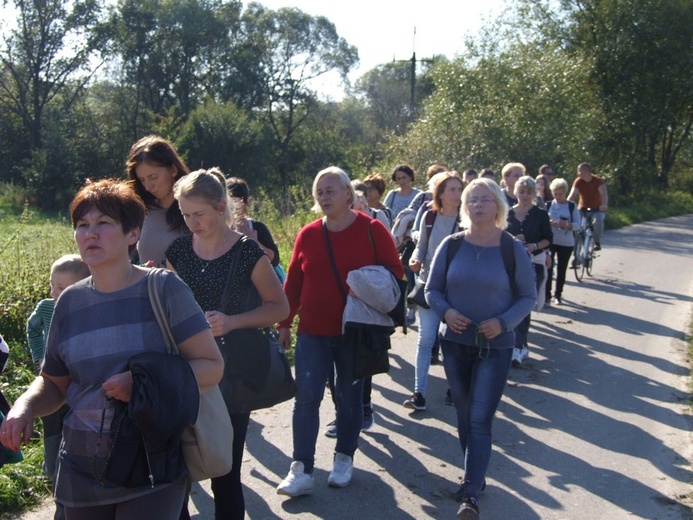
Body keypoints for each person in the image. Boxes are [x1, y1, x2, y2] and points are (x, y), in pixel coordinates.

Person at [0, 179, 223, 520]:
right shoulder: (69, 302)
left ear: (133, 234)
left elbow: (211, 365)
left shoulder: (162, 289)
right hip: (79, 470)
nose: (91, 234)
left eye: (103, 224)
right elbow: (54, 383)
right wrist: (24, 407)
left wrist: (144, 384)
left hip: (150, 465)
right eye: (82, 225)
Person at [166, 168, 289, 520]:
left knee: (225, 471)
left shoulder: (249, 251)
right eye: (185, 215)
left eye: (198, 214)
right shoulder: (177, 251)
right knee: (177, 468)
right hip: (186, 369)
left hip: (234, 372)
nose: (192, 222)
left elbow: (279, 307)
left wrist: (232, 321)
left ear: (221, 206)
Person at [275, 167, 403, 497]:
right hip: (313, 332)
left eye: (331, 190)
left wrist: (366, 286)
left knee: (349, 399)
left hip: (355, 333)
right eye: (319, 191)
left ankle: (344, 457)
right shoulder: (308, 234)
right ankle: (301, 467)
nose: (324, 196)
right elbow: (294, 283)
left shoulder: (373, 230)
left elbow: (395, 275)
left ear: (349, 194)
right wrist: (285, 323)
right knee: (306, 398)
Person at [425, 178, 536, 520]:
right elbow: (432, 290)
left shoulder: (510, 248)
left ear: (499, 206)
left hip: (495, 346)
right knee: (462, 416)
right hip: (455, 344)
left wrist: (503, 323)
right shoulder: (451, 244)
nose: (477, 205)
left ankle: (470, 493)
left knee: (478, 418)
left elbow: (527, 297)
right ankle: (476, 475)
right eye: (472, 199)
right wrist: (448, 312)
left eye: (485, 199)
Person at [26, 254, 90, 520]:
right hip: (52, 385)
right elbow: (32, 328)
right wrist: (40, 358)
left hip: (78, 390)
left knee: (76, 451)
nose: (55, 292)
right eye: (53, 285)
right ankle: (53, 474)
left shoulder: (87, 307)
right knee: (53, 449)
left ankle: (69, 507)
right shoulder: (45, 307)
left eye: (63, 288)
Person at [403, 172, 463, 411]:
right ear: (440, 193)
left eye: (460, 189)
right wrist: (415, 260)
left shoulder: (465, 220)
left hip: (458, 291)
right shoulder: (429, 216)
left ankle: (454, 389)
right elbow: (422, 247)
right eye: (452, 190)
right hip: (429, 286)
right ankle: (419, 394)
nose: (458, 194)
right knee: (426, 340)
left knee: (451, 342)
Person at [506, 176, 553, 367]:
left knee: (525, 304)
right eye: (522, 191)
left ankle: (520, 346)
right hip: (511, 264)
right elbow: (499, 236)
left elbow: (548, 239)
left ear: (534, 194)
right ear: (515, 192)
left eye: (529, 192)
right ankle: (513, 343)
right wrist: (512, 239)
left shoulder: (540, 214)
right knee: (511, 304)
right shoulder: (507, 213)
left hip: (534, 263)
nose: (525, 195)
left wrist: (534, 245)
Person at [126, 135, 190, 266]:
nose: (148, 187)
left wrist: (164, 270)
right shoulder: (141, 211)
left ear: (173, 169)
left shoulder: (196, 208)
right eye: (142, 180)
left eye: (153, 177)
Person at [225, 177, 281, 268]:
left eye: (237, 202)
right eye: (230, 202)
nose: (234, 207)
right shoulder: (219, 229)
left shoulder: (257, 228)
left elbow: (274, 260)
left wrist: (255, 242)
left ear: (246, 202)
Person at [546, 178, 581, 304]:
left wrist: (565, 224)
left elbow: (578, 225)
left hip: (566, 242)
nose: (558, 197)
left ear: (565, 192)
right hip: (551, 241)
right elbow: (542, 222)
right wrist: (548, 223)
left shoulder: (571, 206)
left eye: (560, 194)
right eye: (555, 194)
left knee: (562, 269)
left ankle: (558, 295)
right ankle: (547, 295)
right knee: (548, 268)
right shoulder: (549, 205)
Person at [568, 162, 608, 250]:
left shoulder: (598, 181)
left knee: (599, 220)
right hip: (582, 209)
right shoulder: (578, 181)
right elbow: (572, 195)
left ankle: (597, 242)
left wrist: (604, 204)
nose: (578, 173)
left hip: (597, 209)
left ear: (586, 172)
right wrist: (567, 205)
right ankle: (576, 246)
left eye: (580, 171)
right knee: (576, 223)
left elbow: (603, 193)